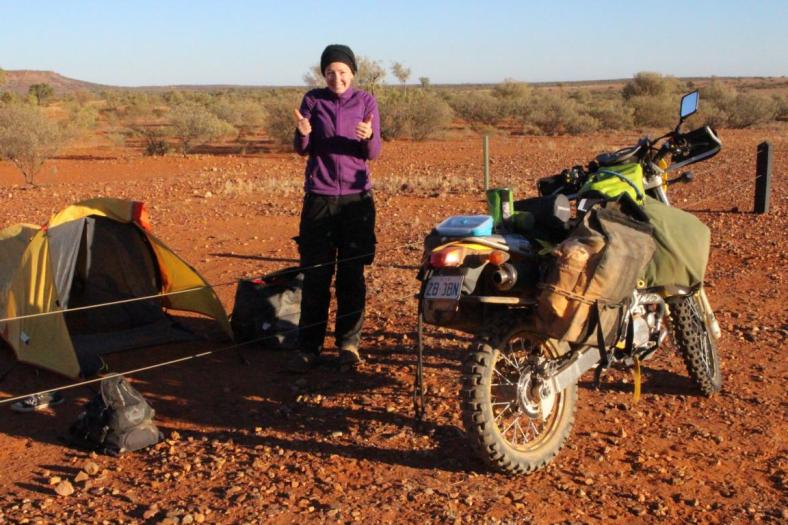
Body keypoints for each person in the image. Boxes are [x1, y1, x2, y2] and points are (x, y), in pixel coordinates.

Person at [288, 44, 381, 373]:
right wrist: (302, 134)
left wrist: (368, 136)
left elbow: (373, 152)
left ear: (353, 73)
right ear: (323, 74)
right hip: (320, 198)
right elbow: (302, 149)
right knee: (316, 275)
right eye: (330, 72)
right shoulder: (313, 100)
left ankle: (348, 344)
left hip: (357, 201)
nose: (336, 78)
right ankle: (308, 346)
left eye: (342, 72)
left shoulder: (366, 101)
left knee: (351, 276)